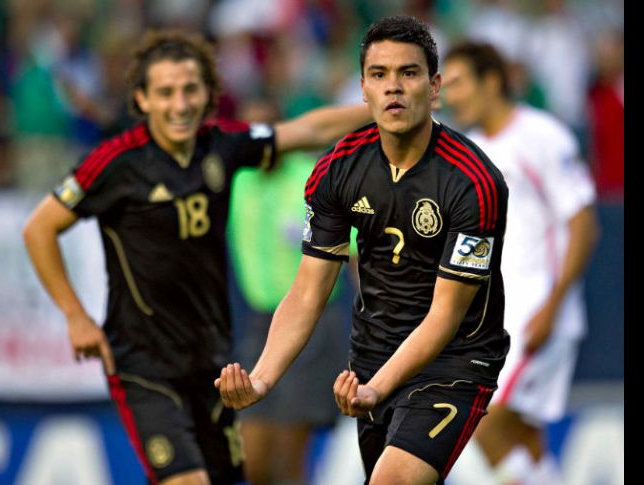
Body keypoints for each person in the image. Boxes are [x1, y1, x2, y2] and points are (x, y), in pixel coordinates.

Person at [22, 29, 371, 485]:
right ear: (143, 100)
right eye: (165, 92)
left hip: (214, 360)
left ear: (208, 93)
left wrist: (381, 109)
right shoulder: (116, 163)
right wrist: (75, 316)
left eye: (190, 90)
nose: (179, 104)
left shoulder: (221, 145)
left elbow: (305, 130)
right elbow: (39, 228)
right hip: (145, 364)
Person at [215, 16, 510, 485]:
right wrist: (262, 380)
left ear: (434, 88)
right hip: (371, 359)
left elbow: (445, 315)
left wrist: (378, 387)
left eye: (408, 73)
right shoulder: (336, 171)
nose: (393, 87)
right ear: (363, 89)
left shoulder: (474, 181)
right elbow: (308, 291)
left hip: (453, 361)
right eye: (379, 75)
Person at [441, 42, 599, 485]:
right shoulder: (473, 152)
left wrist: (552, 306)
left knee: (477, 415)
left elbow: (584, 225)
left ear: (491, 81)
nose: (451, 96)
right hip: (501, 318)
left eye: (458, 83)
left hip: (538, 313)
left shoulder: (542, 136)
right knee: (524, 438)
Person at [227, 99, 352, 485]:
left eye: (267, 133)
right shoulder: (235, 182)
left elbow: (355, 254)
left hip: (311, 325)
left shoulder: (313, 179)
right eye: (250, 135)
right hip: (258, 324)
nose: (259, 143)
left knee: (287, 457)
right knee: (253, 461)